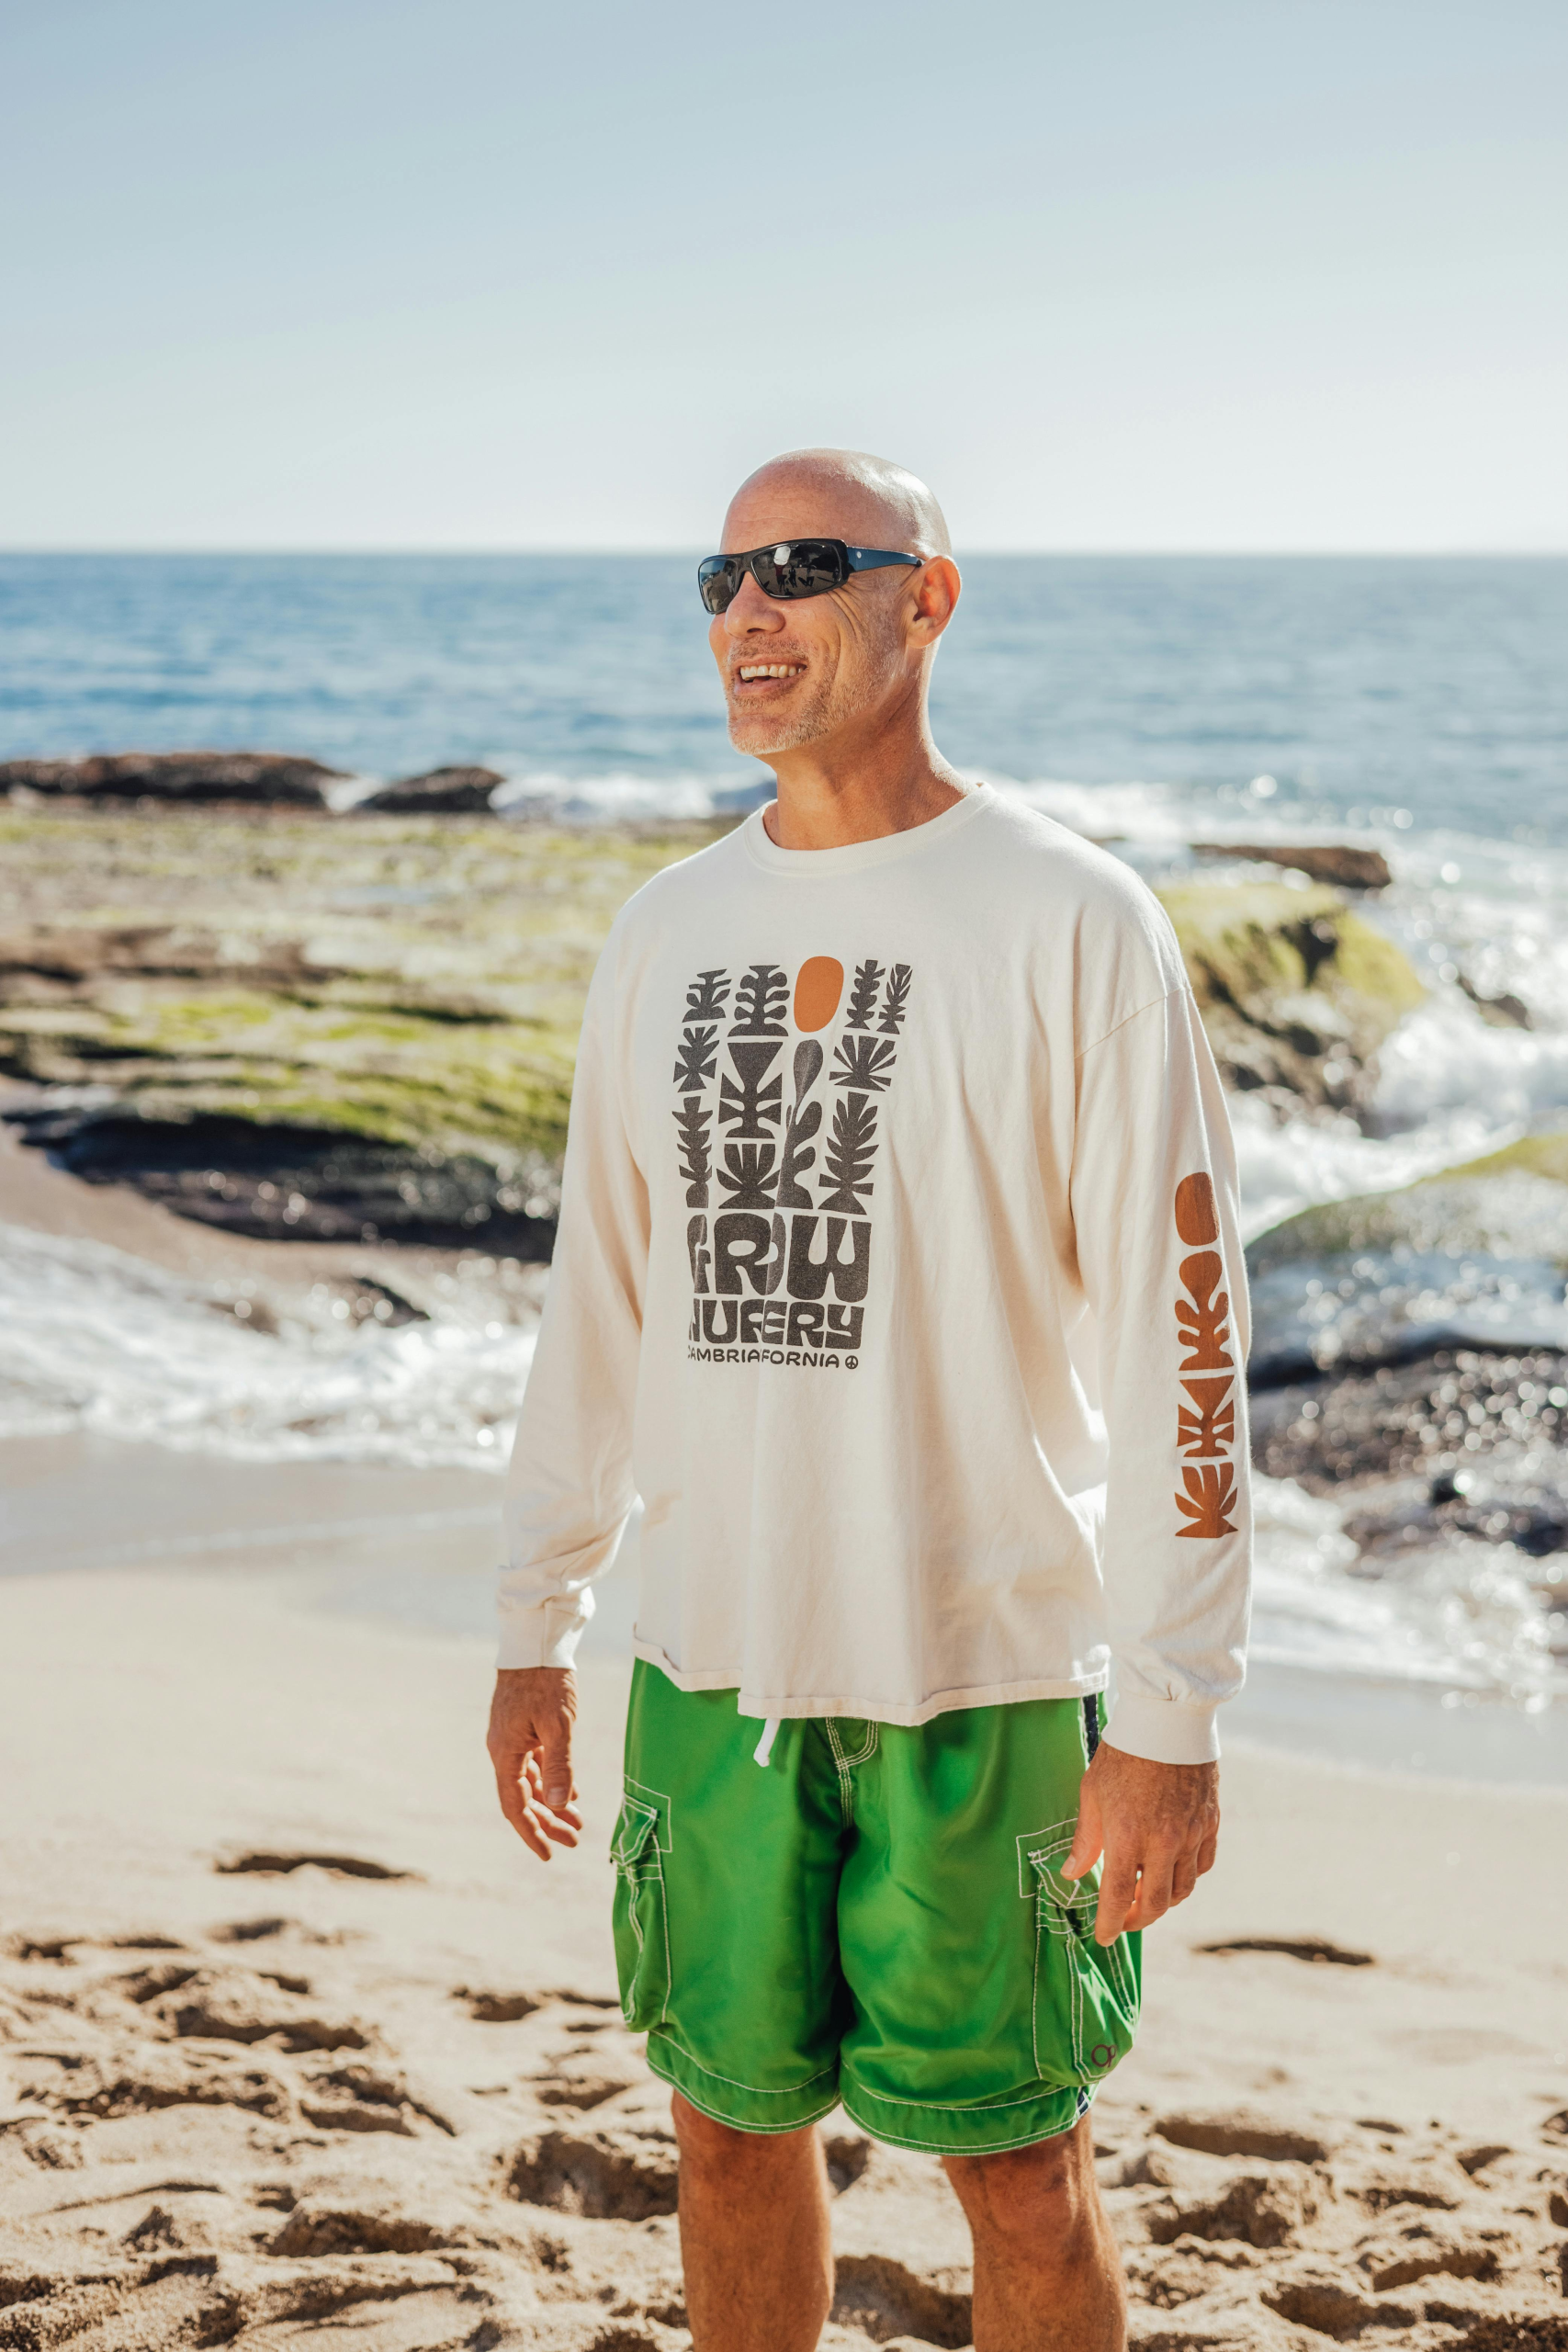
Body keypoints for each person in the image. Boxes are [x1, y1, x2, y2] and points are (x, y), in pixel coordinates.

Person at [487, 448, 1252, 2352]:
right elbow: (598, 1297)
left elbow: (1183, 1330)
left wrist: (1170, 1710)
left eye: (804, 566)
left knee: (1022, 2168)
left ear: (928, 599)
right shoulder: (666, 928)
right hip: (712, 1660)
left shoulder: (1071, 918)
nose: (748, 611)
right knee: (722, 2128)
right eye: (721, 577)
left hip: (984, 1673)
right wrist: (533, 1619)